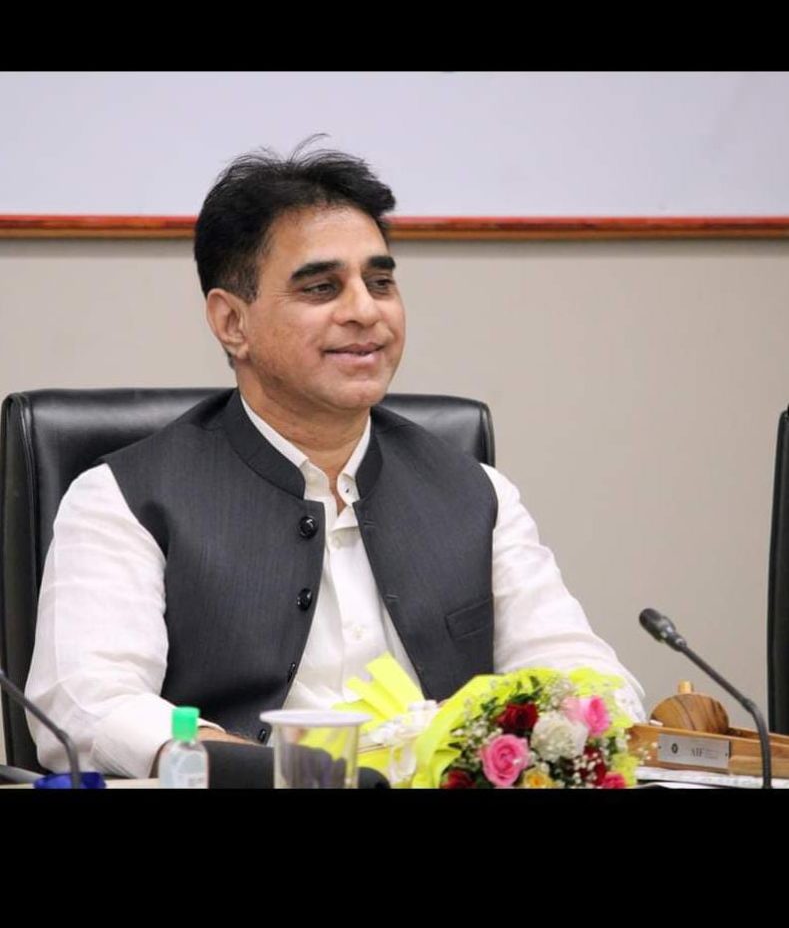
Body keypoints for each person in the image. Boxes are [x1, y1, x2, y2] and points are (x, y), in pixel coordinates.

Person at [25, 140, 645, 778]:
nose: (365, 311)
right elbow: (88, 704)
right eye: (322, 287)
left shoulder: (478, 493)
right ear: (232, 322)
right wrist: (248, 768)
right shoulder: (122, 499)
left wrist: (563, 724)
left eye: (380, 282)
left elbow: (587, 676)